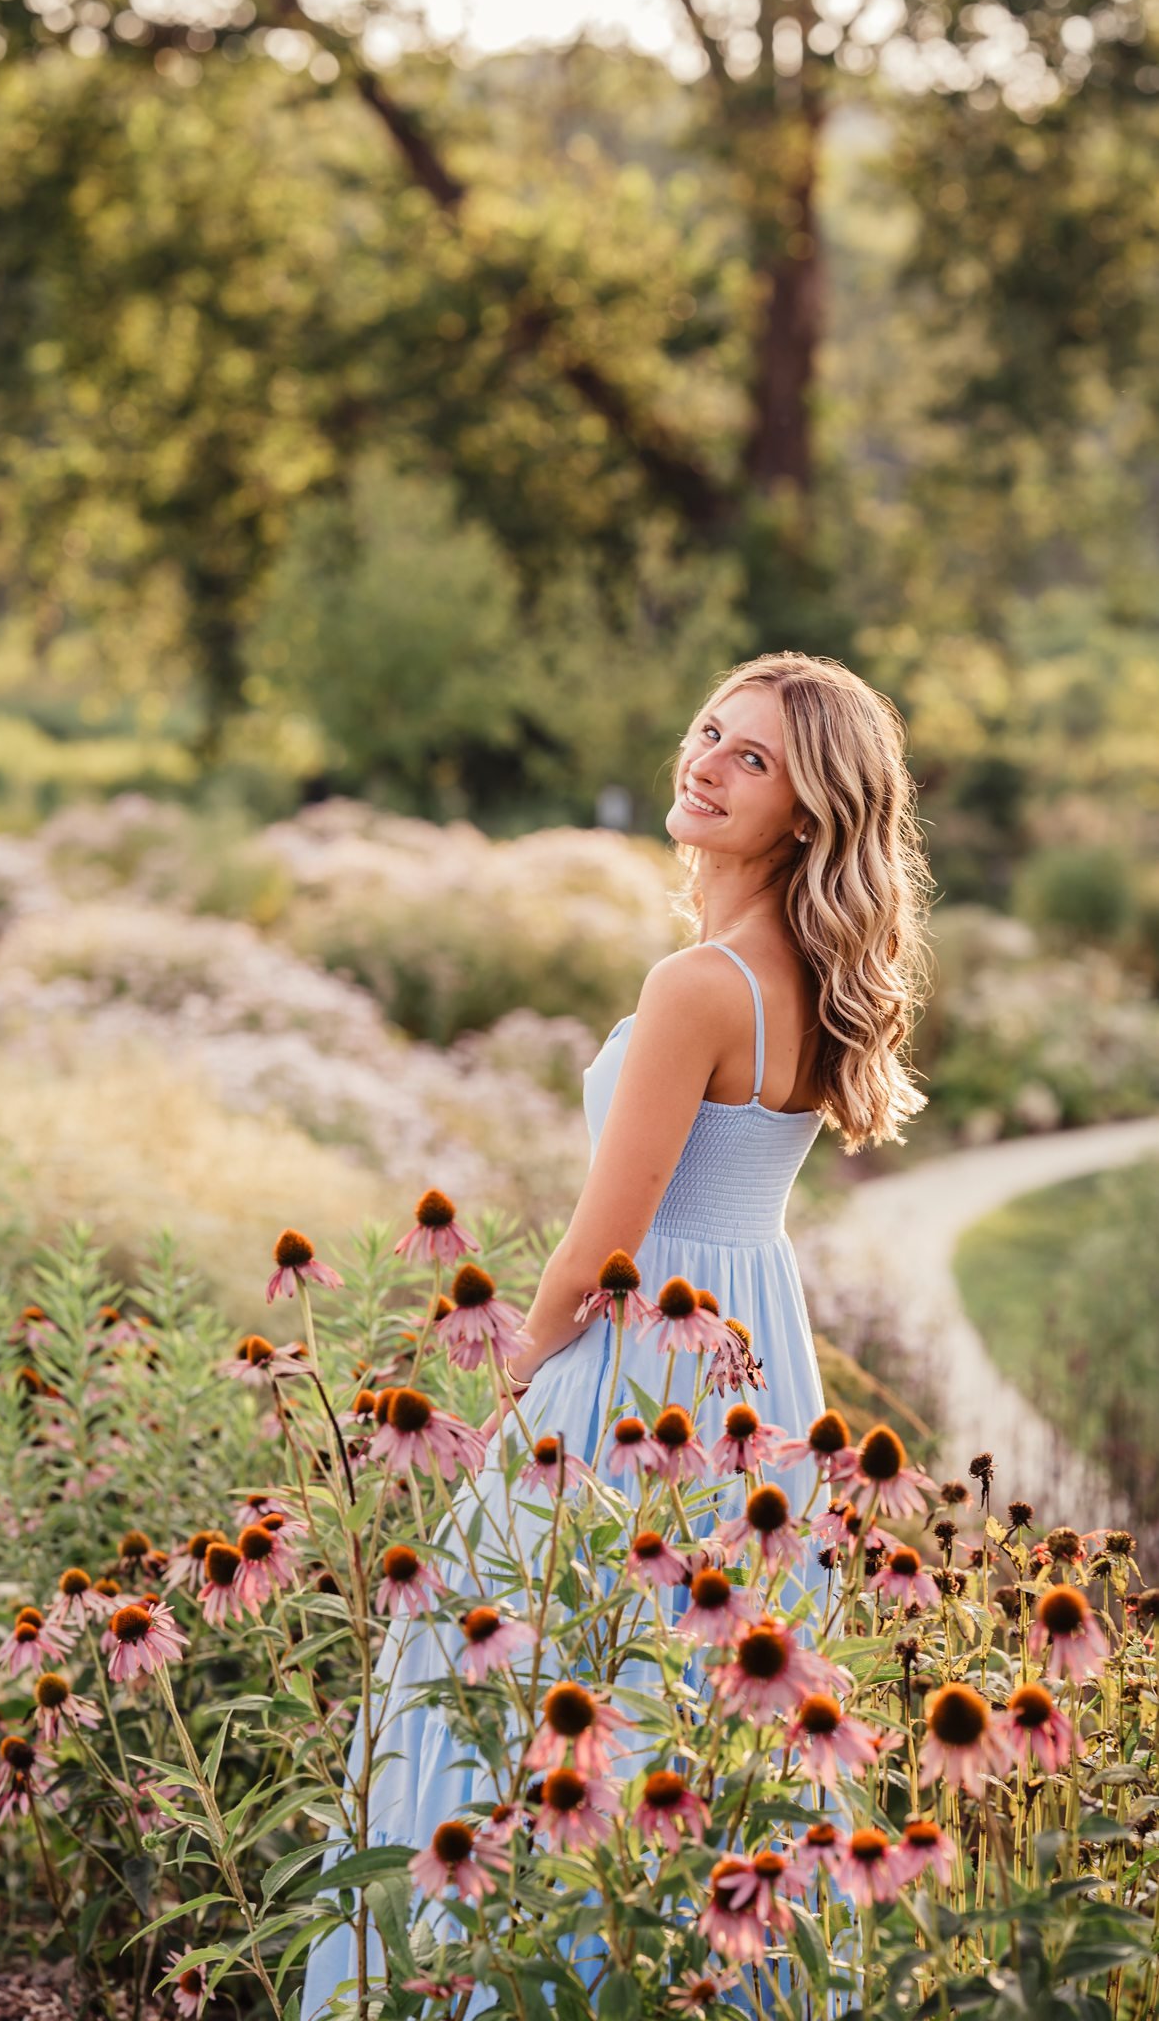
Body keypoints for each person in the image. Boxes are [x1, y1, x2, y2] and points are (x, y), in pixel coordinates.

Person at [300, 650, 935, 2017]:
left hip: (637, 1366)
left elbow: (610, 1232)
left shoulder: (699, 983)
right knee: (696, 1705)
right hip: (755, 1354)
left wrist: (520, 1362)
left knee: (504, 1681)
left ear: (811, 812)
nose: (703, 764)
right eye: (709, 733)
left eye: (750, 758)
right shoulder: (811, 979)